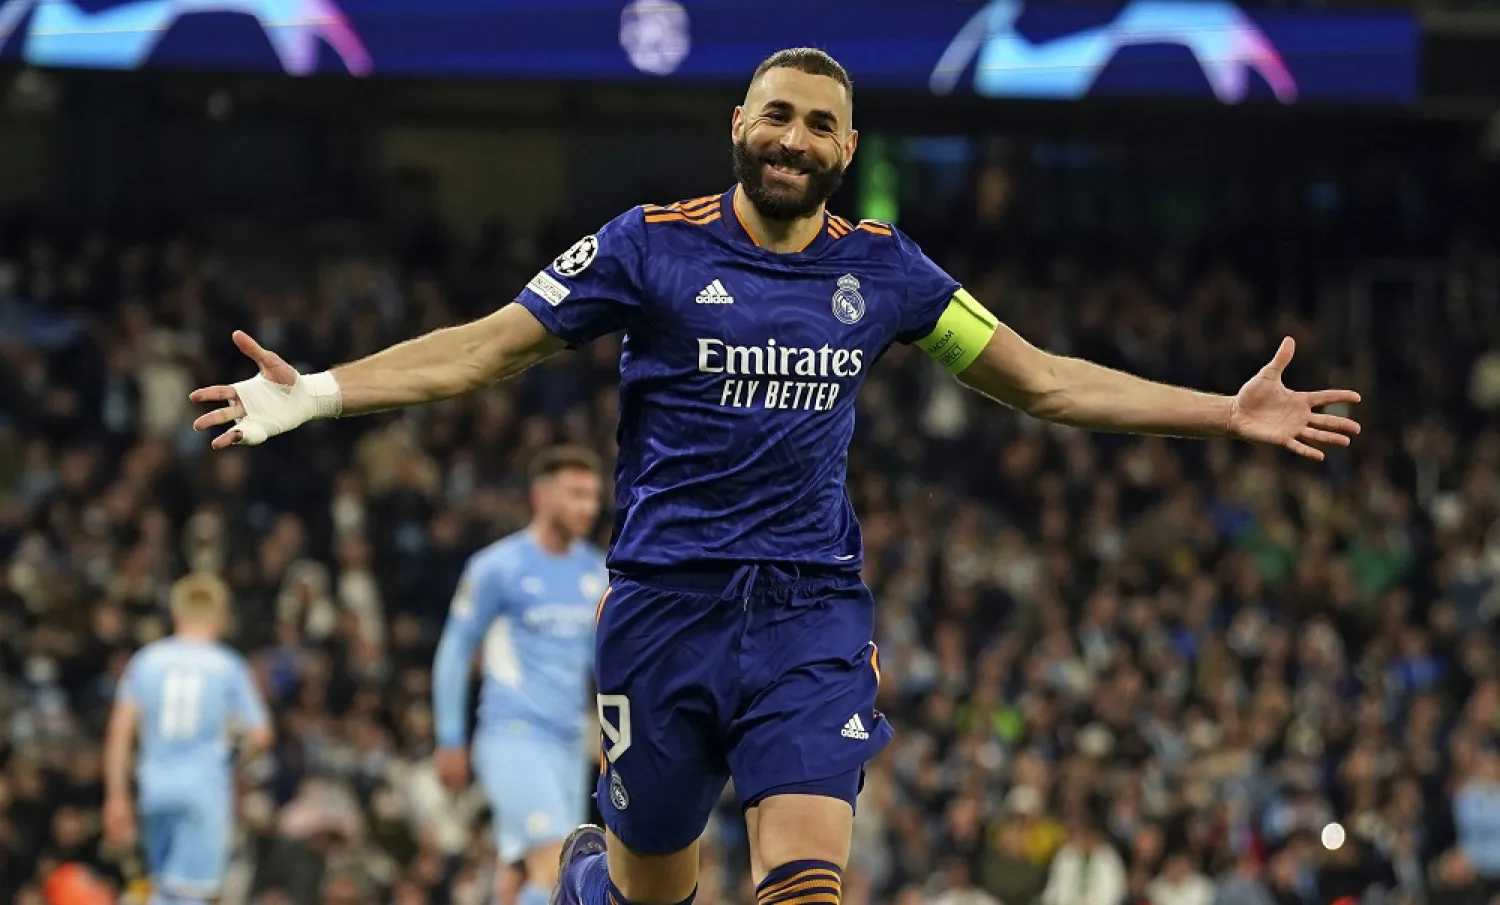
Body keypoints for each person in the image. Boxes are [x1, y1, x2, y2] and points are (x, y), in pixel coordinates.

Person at [187, 46, 1361, 905]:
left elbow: (1044, 382)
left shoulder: (887, 271)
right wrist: (320, 390)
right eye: (779, 116)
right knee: (653, 885)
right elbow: (482, 349)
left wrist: (1225, 411)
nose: (795, 138)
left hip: (808, 613)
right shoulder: (649, 244)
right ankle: (599, 879)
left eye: (820, 126)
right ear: (739, 123)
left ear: (849, 151)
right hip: (662, 612)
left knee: (804, 883)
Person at [431, 445, 609, 905]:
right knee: (556, 866)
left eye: (592, 495)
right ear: (541, 496)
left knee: (518, 875)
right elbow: (454, 649)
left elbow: (604, 666)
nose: (588, 506)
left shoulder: (596, 571)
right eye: (575, 494)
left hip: (570, 746)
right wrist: (450, 737)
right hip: (513, 735)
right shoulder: (498, 567)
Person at [102, 573, 273, 905]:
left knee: (163, 885)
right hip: (203, 790)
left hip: (155, 788)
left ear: (176, 612)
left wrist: (116, 796)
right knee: (191, 894)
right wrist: (236, 762)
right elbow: (261, 736)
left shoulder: (147, 660)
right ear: (221, 616)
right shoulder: (227, 665)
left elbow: (119, 733)